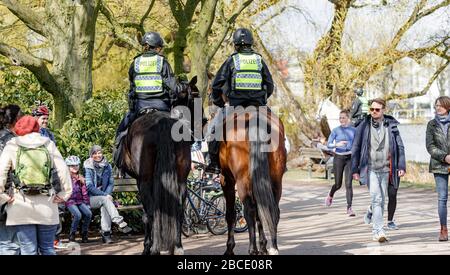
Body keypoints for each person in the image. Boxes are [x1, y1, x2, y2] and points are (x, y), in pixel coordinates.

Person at [0, 115, 72, 255]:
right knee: (48, 249)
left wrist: (3, 197)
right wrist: (65, 194)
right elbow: (63, 170)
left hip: (20, 205)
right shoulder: (48, 143)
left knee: (28, 250)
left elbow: (1, 172)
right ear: (37, 128)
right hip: (47, 204)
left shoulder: (12, 145)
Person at [206, 27, 274, 173]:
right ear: (251, 43)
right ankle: (280, 161)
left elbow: (217, 84)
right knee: (276, 130)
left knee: (213, 131)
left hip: (235, 107)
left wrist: (219, 102)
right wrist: (263, 98)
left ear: (235, 44)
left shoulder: (232, 60)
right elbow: (270, 85)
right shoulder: (259, 60)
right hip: (258, 105)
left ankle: (214, 163)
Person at [114, 31, 191, 154]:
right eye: (160, 48)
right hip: (162, 106)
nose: (160, 51)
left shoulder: (135, 63)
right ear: (157, 48)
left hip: (140, 107)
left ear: (145, 46)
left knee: (121, 132)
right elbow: (173, 88)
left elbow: (132, 88)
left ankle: (118, 157)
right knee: (183, 132)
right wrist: (184, 86)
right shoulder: (162, 62)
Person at [351, 98, 406, 243]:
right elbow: (356, 147)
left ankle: (375, 221)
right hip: (370, 168)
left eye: (377, 110)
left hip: (387, 168)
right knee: (377, 199)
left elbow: (400, 147)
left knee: (382, 200)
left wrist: (401, 166)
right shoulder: (363, 125)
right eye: (372, 109)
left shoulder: (391, 126)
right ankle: (378, 231)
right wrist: (354, 170)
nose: (374, 112)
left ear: (383, 110)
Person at [84, 145, 131, 244]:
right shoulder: (88, 166)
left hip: (104, 197)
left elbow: (110, 183)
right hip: (90, 198)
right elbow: (89, 186)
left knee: (106, 204)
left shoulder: (107, 166)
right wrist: (105, 195)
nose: (98, 155)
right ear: (91, 155)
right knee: (106, 200)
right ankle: (119, 222)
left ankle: (106, 234)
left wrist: (107, 195)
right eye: (95, 153)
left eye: (99, 152)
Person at [425, 96, 450, 242]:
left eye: (440, 105)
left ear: (447, 106)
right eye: (436, 106)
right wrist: (445, 157)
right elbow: (430, 146)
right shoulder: (431, 125)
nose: (437, 108)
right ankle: (443, 229)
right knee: (442, 198)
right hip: (439, 164)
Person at [324, 110, 356, 217]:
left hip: (349, 158)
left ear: (348, 119)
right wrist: (336, 144)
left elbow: (357, 144)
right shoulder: (335, 130)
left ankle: (349, 207)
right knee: (338, 184)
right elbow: (328, 145)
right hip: (338, 157)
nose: (341, 120)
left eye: (343, 117)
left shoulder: (354, 130)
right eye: (340, 118)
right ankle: (331, 194)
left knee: (348, 184)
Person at [0, 104, 22, 255]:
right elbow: (10, 171)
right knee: (10, 244)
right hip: (7, 195)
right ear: (16, 119)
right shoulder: (11, 140)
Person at [65, 155, 92, 243]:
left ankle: (84, 233)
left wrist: (87, 203)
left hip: (79, 201)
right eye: (72, 166)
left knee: (88, 213)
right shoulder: (65, 178)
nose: (75, 167)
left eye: (76, 165)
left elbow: (84, 192)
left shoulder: (80, 177)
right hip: (70, 201)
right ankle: (72, 234)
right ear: (68, 167)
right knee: (78, 215)